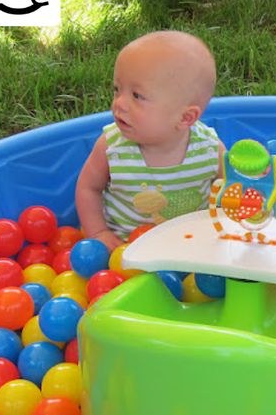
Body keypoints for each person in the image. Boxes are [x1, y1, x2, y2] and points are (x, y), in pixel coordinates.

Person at [76, 30, 223, 252]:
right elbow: (88, 188)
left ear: (185, 117)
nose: (120, 103)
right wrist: (98, 233)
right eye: (117, 90)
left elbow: (233, 188)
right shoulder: (112, 147)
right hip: (124, 249)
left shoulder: (210, 150)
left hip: (192, 247)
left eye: (137, 96)